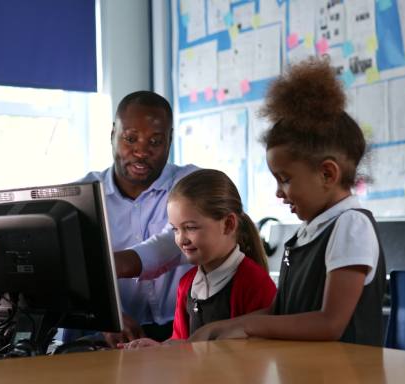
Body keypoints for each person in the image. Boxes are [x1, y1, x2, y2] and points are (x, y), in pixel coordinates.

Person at [188, 57, 386, 346]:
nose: (279, 193)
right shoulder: (308, 232)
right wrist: (223, 327)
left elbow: (329, 324)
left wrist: (251, 327)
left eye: (285, 179)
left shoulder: (350, 226)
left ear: (327, 173)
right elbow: (282, 313)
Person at [72, 91, 198, 346]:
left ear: (170, 141)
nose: (141, 152)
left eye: (155, 141)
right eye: (130, 139)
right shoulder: (80, 196)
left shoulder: (191, 183)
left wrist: (110, 265)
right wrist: (105, 316)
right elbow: (67, 273)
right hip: (112, 335)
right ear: (112, 136)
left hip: (183, 331)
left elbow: (170, 245)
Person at [120, 169, 276, 349]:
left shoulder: (254, 283)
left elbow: (261, 355)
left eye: (190, 228)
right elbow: (184, 346)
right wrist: (158, 348)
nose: (181, 239)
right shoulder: (186, 284)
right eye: (175, 230)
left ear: (228, 224)